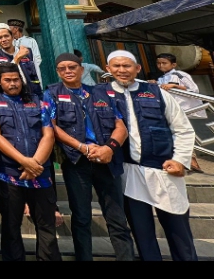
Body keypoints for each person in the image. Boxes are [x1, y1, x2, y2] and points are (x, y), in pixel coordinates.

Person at [106, 50, 198, 261]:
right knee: (142, 233)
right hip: (129, 173)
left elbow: (182, 129)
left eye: (127, 66)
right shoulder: (102, 95)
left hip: (163, 169)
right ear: (108, 69)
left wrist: (180, 160)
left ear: (137, 68)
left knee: (179, 230)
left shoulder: (157, 93)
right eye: (116, 66)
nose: (122, 70)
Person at [44, 53, 134, 261]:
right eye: (62, 68)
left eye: (72, 67)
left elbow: (120, 126)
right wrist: (82, 147)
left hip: (106, 160)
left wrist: (109, 148)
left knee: (117, 218)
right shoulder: (52, 93)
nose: (68, 71)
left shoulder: (102, 92)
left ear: (82, 69)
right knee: (81, 217)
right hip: (76, 161)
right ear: (57, 72)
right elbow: (52, 127)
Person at [0, 62, 62, 261]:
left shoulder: (39, 101)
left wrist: (35, 163)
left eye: (16, 79)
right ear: (0, 82)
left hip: (40, 173)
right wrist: (23, 161)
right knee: (11, 227)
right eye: (7, 80)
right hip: (9, 174)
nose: (13, 84)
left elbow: (48, 134)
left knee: (46, 226)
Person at [152, 52, 207, 173]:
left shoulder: (180, 74)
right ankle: (188, 162)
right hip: (171, 110)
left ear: (173, 64)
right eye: (158, 63)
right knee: (176, 135)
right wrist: (156, 84)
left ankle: (192, 162)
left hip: (185, 109)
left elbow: (194, 89)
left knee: (184, 133)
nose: (161, 65)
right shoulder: (161, 78)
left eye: (164, 63)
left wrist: (174, 86)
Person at [0, 23, 42, 97]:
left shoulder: (28, 51)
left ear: (12, 36)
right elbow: (6, 73)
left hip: (33, 95)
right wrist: (18, 57)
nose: (4, 40)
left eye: (6, 36)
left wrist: (40, 94)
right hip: (12, 98)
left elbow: (37, 73)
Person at [8, 19, 43, 88]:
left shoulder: (30, 41)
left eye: (10, 28)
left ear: (16, 29)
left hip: (30, 73)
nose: (8, 30)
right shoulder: (10, 42)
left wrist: (30, 69)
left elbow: (37, 58)